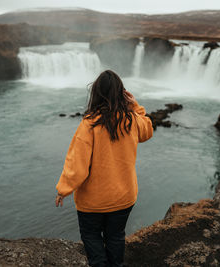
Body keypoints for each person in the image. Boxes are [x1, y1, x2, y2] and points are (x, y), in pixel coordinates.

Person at [55, 69, 153, 267]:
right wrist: (134, 105)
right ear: (121, 94)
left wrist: (63, 189)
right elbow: (148, 130)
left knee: (92, 237)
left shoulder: (89, 125)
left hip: (92, 202)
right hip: (124, 197)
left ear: (96, 94)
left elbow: (77, 164)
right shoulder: (131, 120)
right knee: (116, 236)